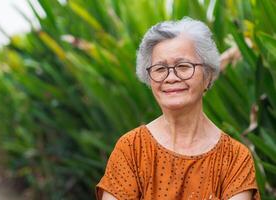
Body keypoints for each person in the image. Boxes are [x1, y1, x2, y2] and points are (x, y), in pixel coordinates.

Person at [96, 17, 260, 200]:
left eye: (183, 66)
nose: (171, 77)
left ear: (208, 76)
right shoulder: (132, 149)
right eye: (160, 69)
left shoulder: (234, 158)